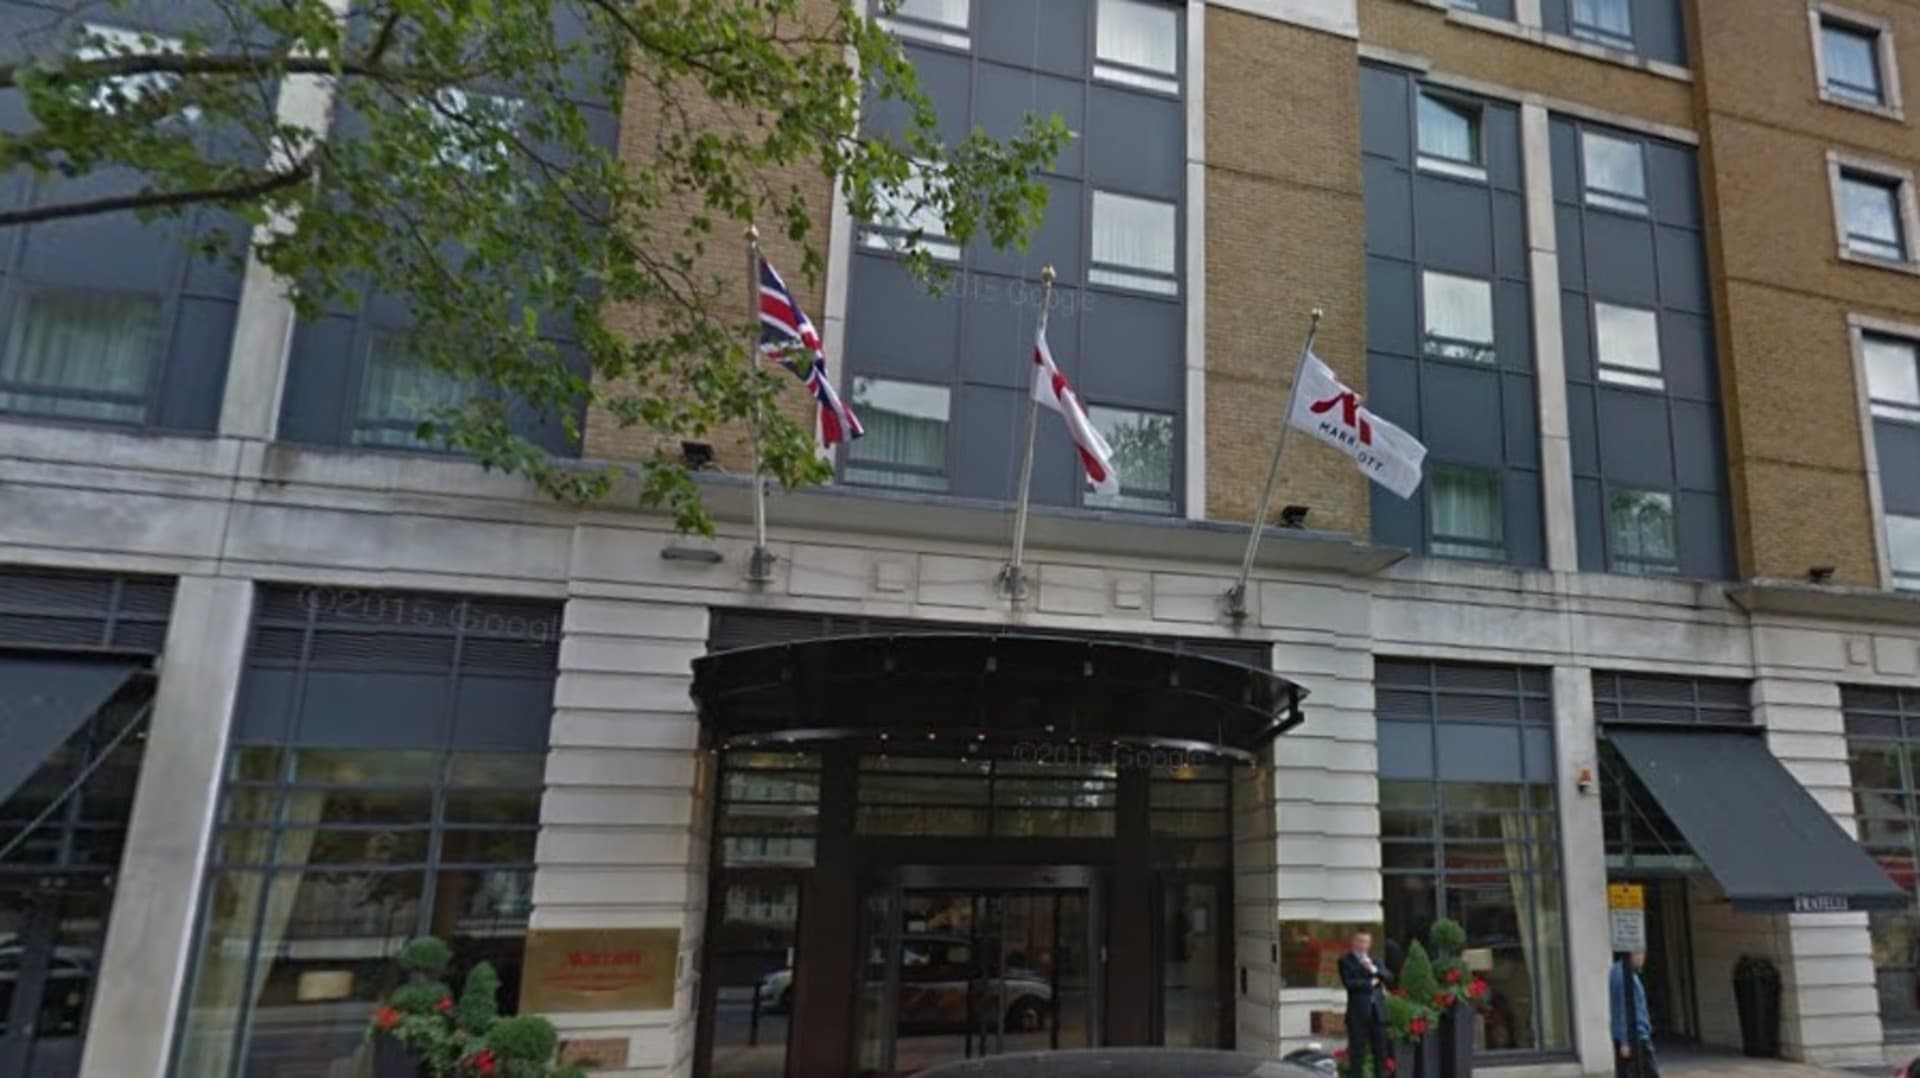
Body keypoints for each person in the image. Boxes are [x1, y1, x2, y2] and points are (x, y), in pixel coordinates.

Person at [1340, 931, 1395, 1078]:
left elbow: (1389, 977)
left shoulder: (1375, 960)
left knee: (1381, 1053)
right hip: (1358, 1014)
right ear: (1354, 942)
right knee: (1357, 1054)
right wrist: (1370, 983)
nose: (1363, 945)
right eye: (1360, 941)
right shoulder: (1346, 960)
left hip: (1377, 1013)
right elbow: (1349, 983)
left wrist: (1373, 969)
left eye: (1366, 942)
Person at [1611, 950, 1657, 1078]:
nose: (1643, 959)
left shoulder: (1621, 971)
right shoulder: (1623, 975)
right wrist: (1624, 1041)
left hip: (1633, 1034)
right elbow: (1621, 1008)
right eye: (1641, 954)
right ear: (1633, 954)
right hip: (1635, 1036)